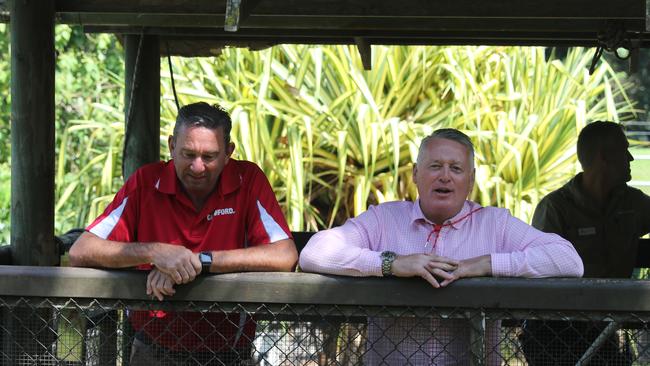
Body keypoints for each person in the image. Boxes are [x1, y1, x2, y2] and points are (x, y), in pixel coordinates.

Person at [299, 128, 584, 365]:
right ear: (415, 174)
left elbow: (569, 260)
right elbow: (314, 252)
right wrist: (392, 263)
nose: (445, 176)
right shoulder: (384, 219)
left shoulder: (495, 224)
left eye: (456, 168)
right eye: (435, 166)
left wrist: (484, 265)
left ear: (470, 180)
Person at [69, 102, 298, 366]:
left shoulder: (248, 180)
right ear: (171, 146)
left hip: (228, 353)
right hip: (152, 347)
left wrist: (199, 262)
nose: (197, 167)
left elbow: (285, 255)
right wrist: (156, 253)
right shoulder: (145, 182)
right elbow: (81, 250)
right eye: (188, 154)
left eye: (209, 157)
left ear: (228, 153)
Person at [520, 121, 650, 365]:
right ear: (604, 158)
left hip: (609, 328)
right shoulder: (555, 208)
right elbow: (537, 271)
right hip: (557, 330)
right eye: (624, 149)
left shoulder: (633, 203)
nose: (631, 157)